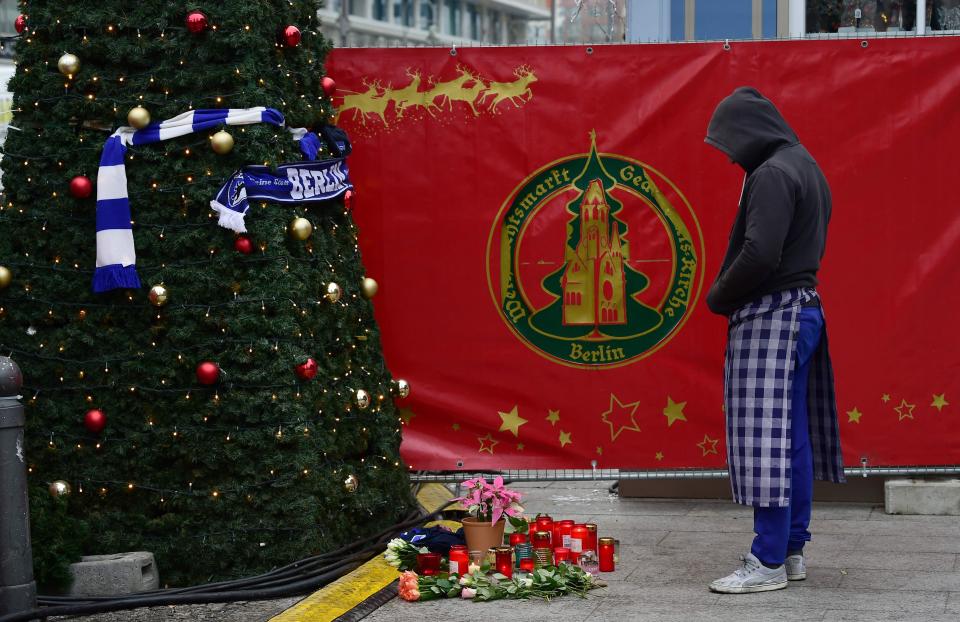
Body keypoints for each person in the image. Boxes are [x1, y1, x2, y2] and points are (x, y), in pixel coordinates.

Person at [703, 87, 845, 594]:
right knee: (792, 438)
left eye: (728, 143)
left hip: (771, 317)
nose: (729, 154)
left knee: (765, 441)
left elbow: (760, 253)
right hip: (805, 311)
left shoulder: (771, 174)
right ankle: (791, 551)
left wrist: (719, 295)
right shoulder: (804, 164)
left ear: (748, 132)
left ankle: (765, 562)